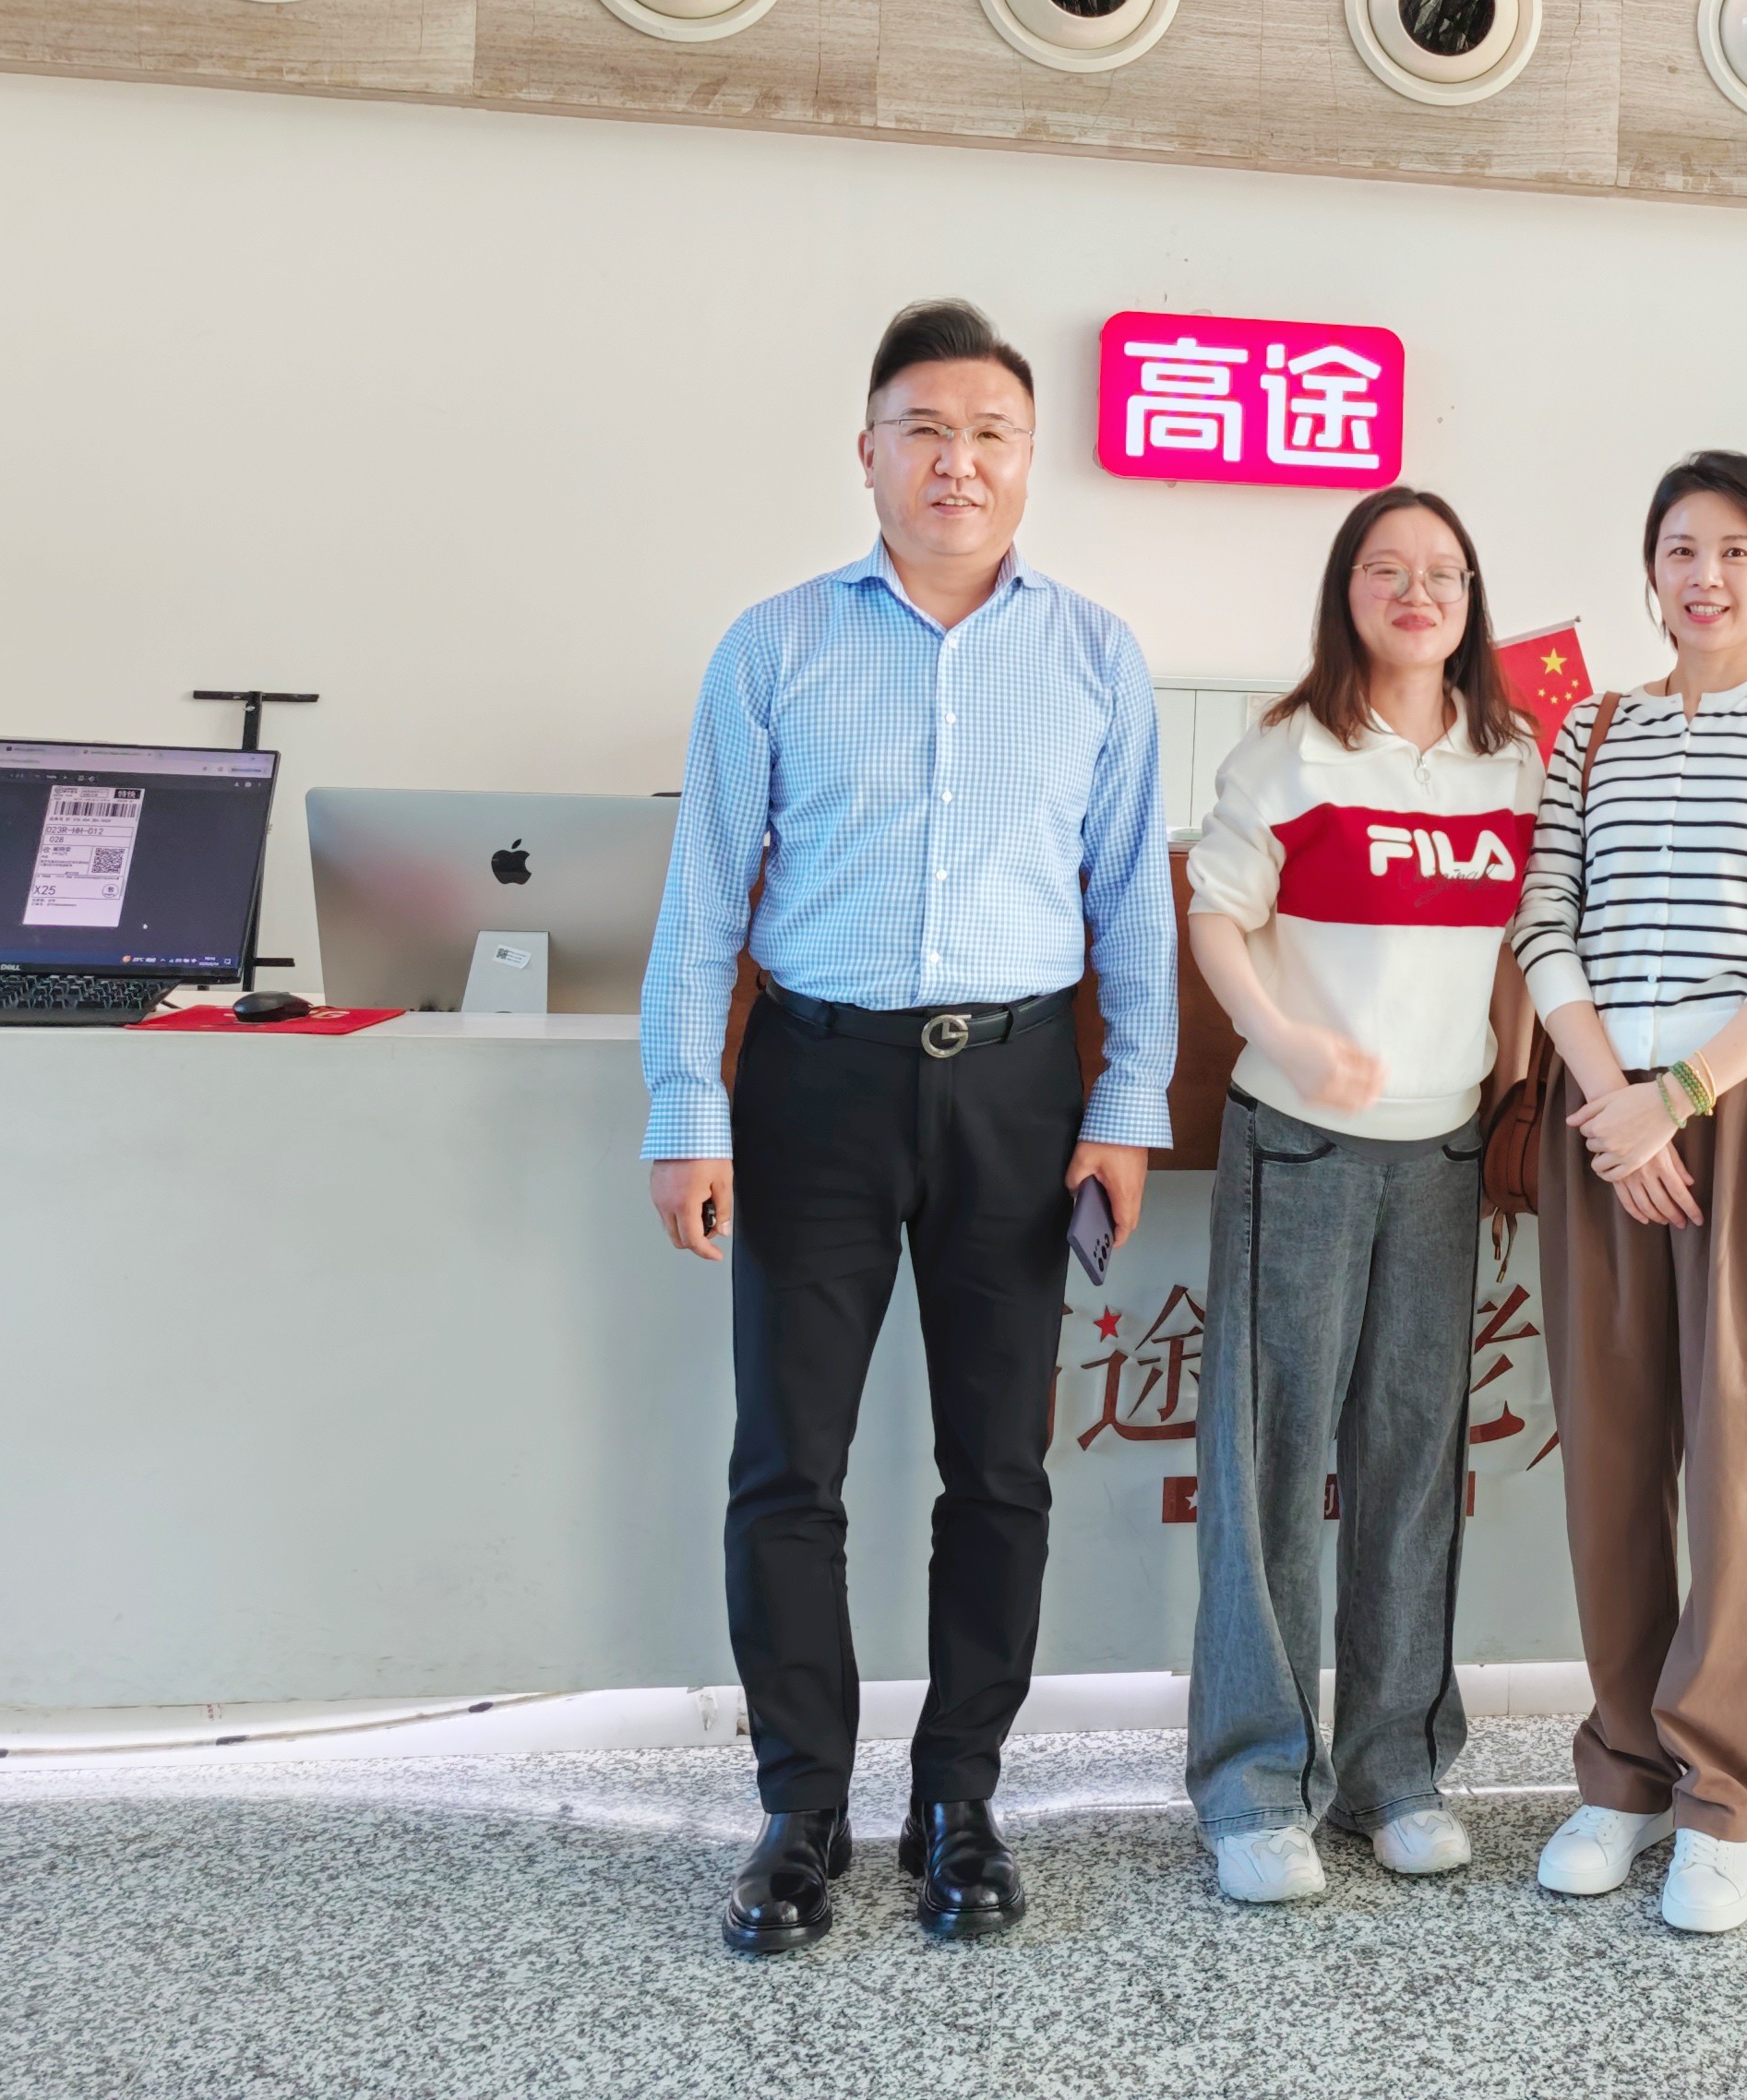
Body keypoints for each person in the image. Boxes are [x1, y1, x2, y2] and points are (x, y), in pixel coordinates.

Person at [638, 298, 1175, 1957]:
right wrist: (687, 1107)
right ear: (867, 454)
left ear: (1031, 458)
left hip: (1019, 1091)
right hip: (813, 1085)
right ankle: (801, 1808)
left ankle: (960, 1802)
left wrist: (1126, 1107)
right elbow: (704, 897)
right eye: (925, 432)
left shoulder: (1095, 656)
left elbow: (1131, 903)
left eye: (989, 433)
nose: (958, 462)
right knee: (786, 1464)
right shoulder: (775, 645)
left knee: (997, 1468)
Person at [1509, 450, 1747, 1936]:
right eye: (1679, 548)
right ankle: (1624, 1772)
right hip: (1601, 1116)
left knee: (1734, 1456)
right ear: (1650, 572)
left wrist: (1684, 1097)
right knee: (1607, 1453)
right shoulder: (1592, 730)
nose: (1704, 575)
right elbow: (1545, 919)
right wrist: (1615, 1102)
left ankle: (1719, 1795)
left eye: (1735, 551)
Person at [1176, 487, 1544, 1904]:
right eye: (1387, 568)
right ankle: (1255, 1787)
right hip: (1302, 1149)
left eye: (1443, 571)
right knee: (1269, 1467)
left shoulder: (1511, 764)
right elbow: (1217, 914)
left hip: (1443, 1155)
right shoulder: (1290, 749)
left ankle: (1397, 1771)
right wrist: (1283, 1035)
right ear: (1348, 593)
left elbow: (1523, 948)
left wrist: (1511, 1084)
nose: (1417, 591)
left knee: (1411, 1466)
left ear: (1472, 601)